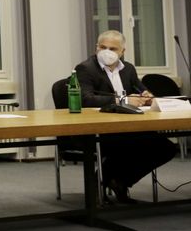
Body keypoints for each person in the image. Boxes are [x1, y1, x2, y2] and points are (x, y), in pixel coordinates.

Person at [75, 29, 177, 203]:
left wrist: (146, 97)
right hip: (102, 127)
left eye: (113, 48)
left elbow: (140, 88)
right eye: (103, 47)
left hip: (129, 124)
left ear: (123, 51)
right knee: (130, 143)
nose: (107, 51)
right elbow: (86, 99)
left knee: (165, 148)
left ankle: (120, 181)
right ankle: (102, 180)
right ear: (96, 48)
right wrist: (123, 99)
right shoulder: (85, 68)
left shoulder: (128, 69)